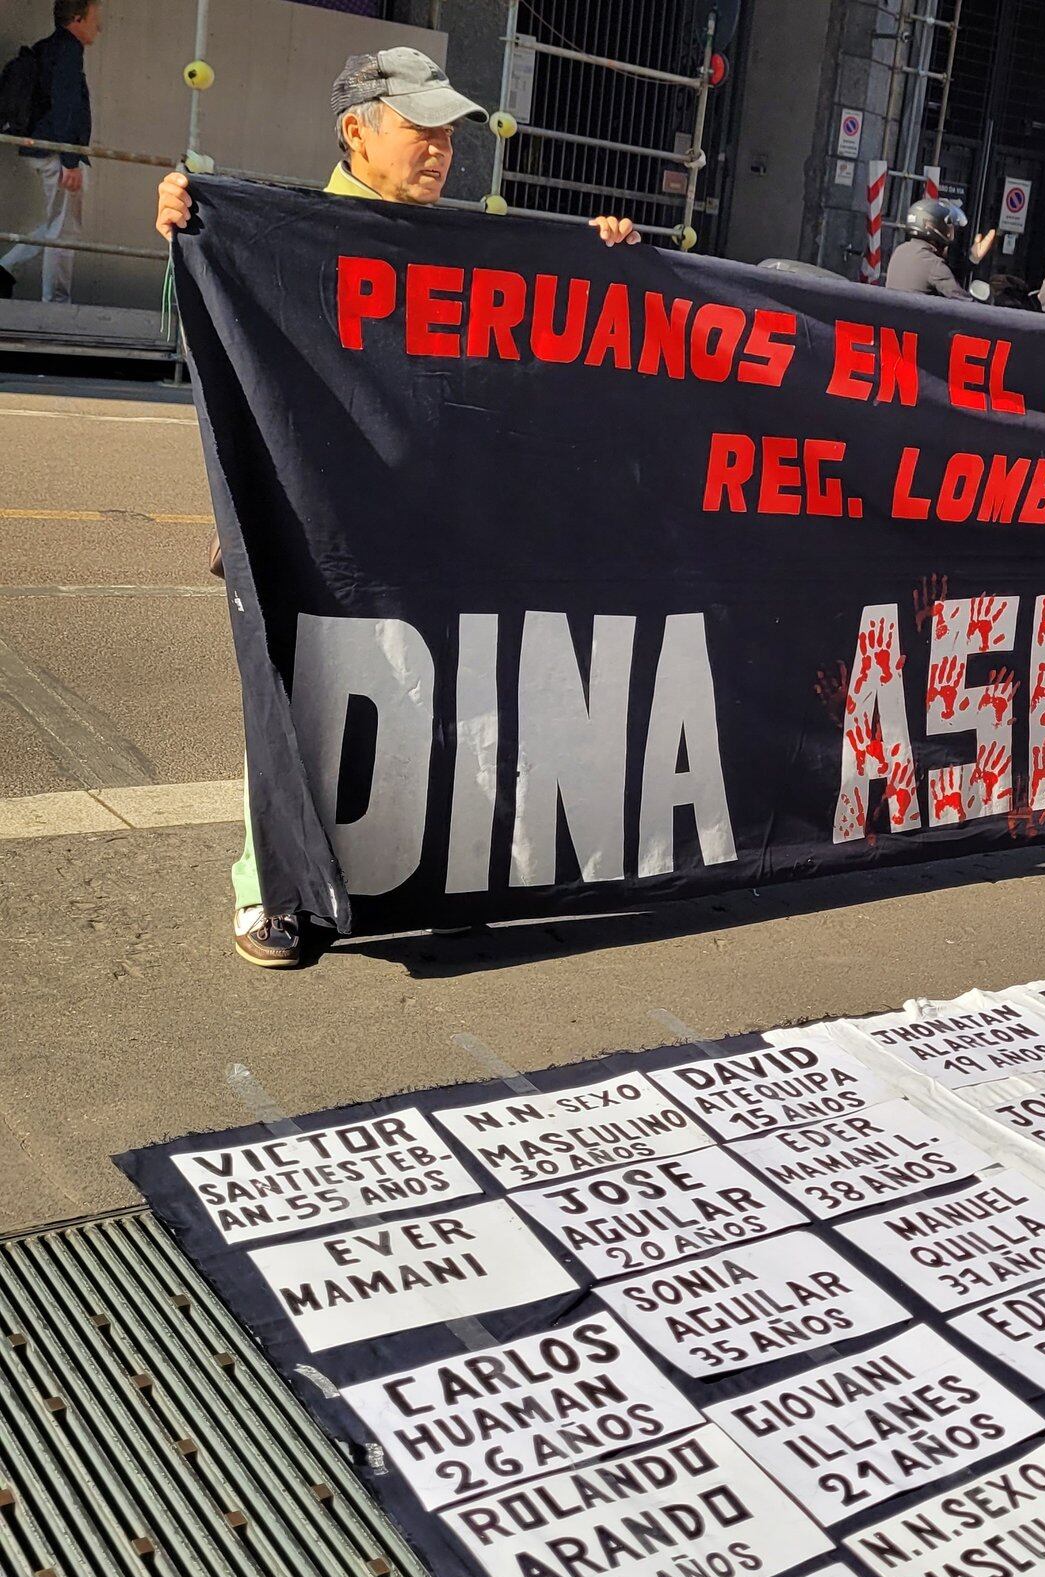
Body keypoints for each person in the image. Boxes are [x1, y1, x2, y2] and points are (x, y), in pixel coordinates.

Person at [156, 46, 639, 968]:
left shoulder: (456, 250)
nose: (440, 152)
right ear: (356, 131)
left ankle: (434, 876)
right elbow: (229, 347)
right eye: (420, 130)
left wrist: (601, 256)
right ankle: (275, 891)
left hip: (432, 521)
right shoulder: (282, 237)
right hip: (314, 517)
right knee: (304, 700)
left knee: (437, 701)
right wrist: (184, 220)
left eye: (449, 136)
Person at [0, 0, 100, 304]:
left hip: (42, 148)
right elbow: (66, 104)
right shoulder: (68, 50)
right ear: (77, 18)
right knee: (64, 231)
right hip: (57, 152)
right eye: (95, 18)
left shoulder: (47, 47)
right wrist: (70, 159)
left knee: (59, 224)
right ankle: (56, 305)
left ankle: (5, 268)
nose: (100, 26)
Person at [884, 196, 995, 299]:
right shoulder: (932, 263)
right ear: (935, 226)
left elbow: (947, 277)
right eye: (951, 228)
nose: (953, 235)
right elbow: (962, 302)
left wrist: (973, 259)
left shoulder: (901, 250)